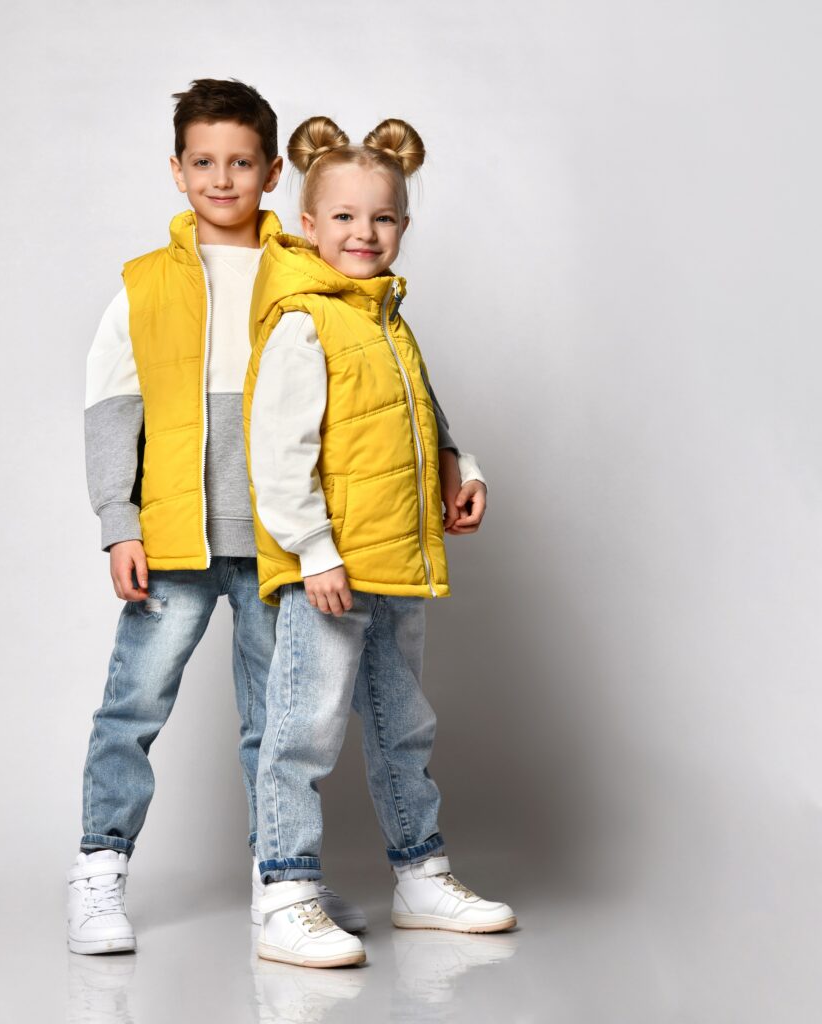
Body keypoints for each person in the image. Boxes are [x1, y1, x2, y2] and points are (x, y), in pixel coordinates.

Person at [66, 80, 372, 955]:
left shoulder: (308, 272)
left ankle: (280, 880)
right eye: (204, 162)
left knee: (278, 722)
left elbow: (368, 382)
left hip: (280, 544)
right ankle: (97, 871)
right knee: (132, 708)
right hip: (173, 541)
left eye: (241, 162)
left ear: (273, 173)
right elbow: (111, 411)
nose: (222, 178)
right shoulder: (145, 286)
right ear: (177, 169)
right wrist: (119, 521)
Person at [244, 115, 516, 969]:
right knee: (303, 729)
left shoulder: (388, 321)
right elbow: (276, 452)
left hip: (395, 560)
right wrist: (314, 551)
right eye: (344, 217)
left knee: (403, 726)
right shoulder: (304, 322)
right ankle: (284, 893)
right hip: (327, 570)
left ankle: (420, 875)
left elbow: (420, 419)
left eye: (383, 218)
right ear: (308, 224)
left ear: (402, 225)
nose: (364, 233)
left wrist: (461, 471)